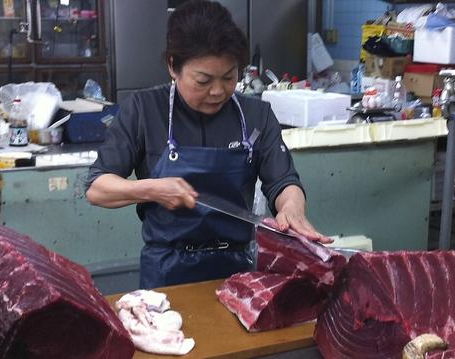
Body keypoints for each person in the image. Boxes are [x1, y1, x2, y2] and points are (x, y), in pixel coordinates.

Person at [86, 0, 330, 289]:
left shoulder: (256, 114)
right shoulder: (143, 109)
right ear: (173, 66)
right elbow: (98, 188)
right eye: (203, 81)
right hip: (167, 271)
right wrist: (151, 189)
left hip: (238, 270)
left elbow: (283, 180)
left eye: (229, 77)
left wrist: (292, 208)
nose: (217, 90)